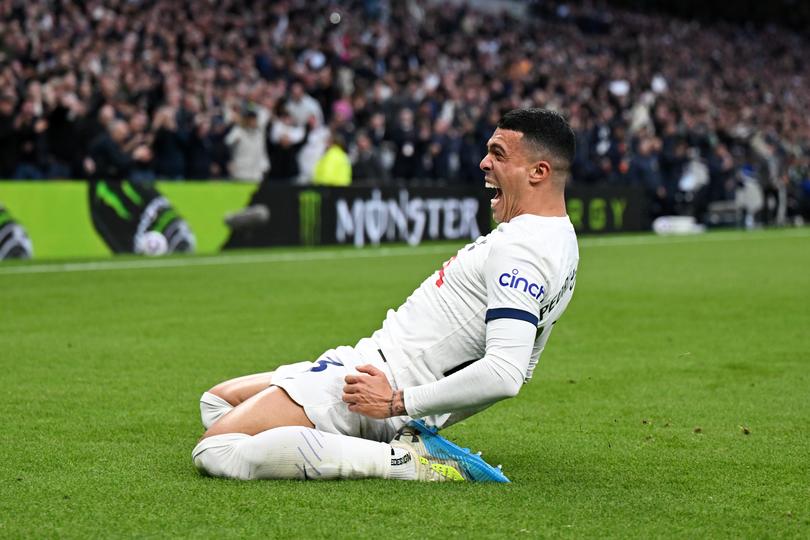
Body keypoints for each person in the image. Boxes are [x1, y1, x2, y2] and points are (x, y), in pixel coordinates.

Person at [192, 108, 580, 482]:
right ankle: (372, 440)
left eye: (498, 153)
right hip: (369, 368)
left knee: (217, 450)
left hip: (378, 386)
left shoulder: (522, 249)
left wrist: (397, 403)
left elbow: (505, 373)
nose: (483, 162)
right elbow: (526, 364)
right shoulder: (562, 242)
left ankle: (402, 460)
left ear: (538, 172)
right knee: (217, 402)